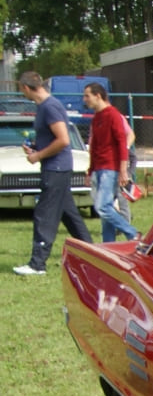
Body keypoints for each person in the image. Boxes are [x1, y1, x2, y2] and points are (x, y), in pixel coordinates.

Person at [14, 71, 91, 275]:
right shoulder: (43, 107)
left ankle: (37, 264)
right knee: (69, 215)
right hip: (55, 167)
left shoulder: (50, 106)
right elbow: (51, 138)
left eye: (22, 90)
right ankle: (94, 254)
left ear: (26, 88)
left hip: (55, 167)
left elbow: (63, 139)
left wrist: (38, 156)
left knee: (44, 215)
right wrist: (34, 147)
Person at [81, 82, 138, 243]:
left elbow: (122, 142)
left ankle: (132, 233)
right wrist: (90, 170)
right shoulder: (96, 118)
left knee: (102, 207)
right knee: (106, 211)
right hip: (98, 169)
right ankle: (109, 245)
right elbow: (95, 147)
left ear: (98, 96)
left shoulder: (113, 115)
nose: (85, 100)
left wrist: (123, 170)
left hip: (110, 168)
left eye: (87, 96)